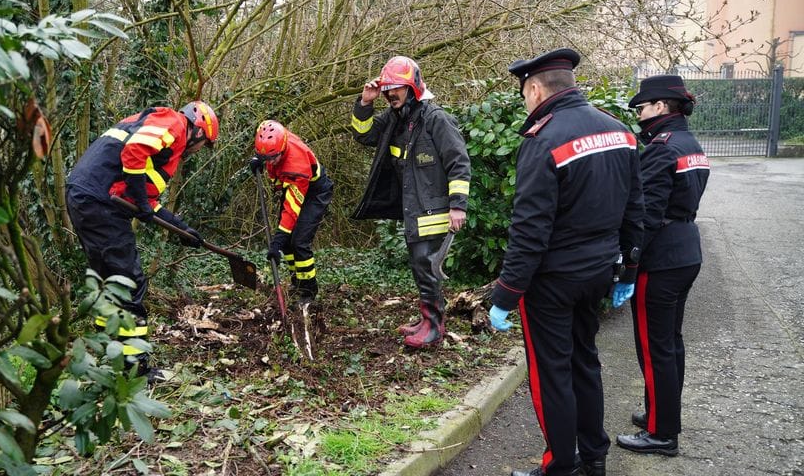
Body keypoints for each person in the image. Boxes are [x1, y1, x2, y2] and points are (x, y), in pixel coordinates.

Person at [487, 48, 644, 476]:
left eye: (524, 93)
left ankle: (560, 466)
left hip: (553, 282)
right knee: (584, 362)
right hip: (599, 272)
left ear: (536, 89)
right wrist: (628, 270)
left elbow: (529, 230)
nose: (525, 102)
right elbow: (635, 208)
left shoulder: (544, 140)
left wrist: (506, 294)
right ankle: (594, 458)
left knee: (552, 373)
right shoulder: (619, 130)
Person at [65, 100, 219, 378]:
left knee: (109, 281)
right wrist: (142, 202)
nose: (198, 150)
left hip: (86, 197)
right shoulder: (174, 124)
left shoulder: (158, 140)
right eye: (203, 144)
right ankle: (134, 367)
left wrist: (183, 229)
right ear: (198, 130)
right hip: (100, 201)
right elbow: (134, 153)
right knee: (130, 283)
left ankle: (109, 355)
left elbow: (145, 200)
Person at [615, 75, 709, 457]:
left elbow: (646, 216)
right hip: (686, 251)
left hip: (662, 260)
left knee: (655, 349)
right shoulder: (690, 144)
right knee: (671, 343)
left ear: (660, 106)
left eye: (642, 107)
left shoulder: (662, 149)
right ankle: (661, 414)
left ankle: (661, 434)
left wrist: (629, 264)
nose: (639, 114)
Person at [350, 55, 471, 349]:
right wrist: (365, 103)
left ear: (413, 88)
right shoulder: (395, 118)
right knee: (420, 267)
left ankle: (434, 328)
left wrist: (458, 206)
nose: (391, 94)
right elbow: (363, 134)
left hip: (433, 210)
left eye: (397, 88)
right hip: (413, 209)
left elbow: (459, 163)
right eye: (388, 89)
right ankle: (427, 319)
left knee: (427, 267)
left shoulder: (436, 119)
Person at [249, 120, 334, 305]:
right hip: (290, 185)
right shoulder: (275, 136)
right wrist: (259, 159)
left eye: (272, 159)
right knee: (287, 244)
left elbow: (291, 211)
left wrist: (277, 242)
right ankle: (297, 282)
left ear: (282, 150)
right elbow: (267, 149)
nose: (269, 163)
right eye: (266, 158)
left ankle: (308, 290)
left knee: (299, 242)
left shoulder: (297, 167)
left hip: (314, 192)